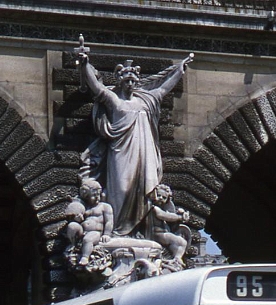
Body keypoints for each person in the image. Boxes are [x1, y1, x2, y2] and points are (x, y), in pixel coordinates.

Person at [76, 39, 193, 235]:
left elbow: (163, 89)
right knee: (120, 189)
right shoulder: (115, 101)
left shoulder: (146, 102)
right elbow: (96, 87)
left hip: (144, 153)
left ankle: (143, 232)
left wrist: (179, 71)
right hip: (120, 152)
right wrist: (86, 64)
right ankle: (116, 230)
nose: (130, 84)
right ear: (121, 82)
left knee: (145, 191)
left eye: (133, 81)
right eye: (127, 81)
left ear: (137, 82)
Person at [65, 179, 115, 266]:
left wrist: (106, 234)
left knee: (88, 239)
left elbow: (109, 222)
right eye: (93, 195)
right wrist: (77, 219)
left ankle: (85, 257)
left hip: (96, 233)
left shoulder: (104, 206)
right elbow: (79, 220)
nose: (97, 197)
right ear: (86, 196)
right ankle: (73, 244)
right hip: (83, 232)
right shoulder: (84, 207)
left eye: (98, 195)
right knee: (72, 226)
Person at [144, 184, 189, 263]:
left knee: (181, 241)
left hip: (162, 233)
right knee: (180, 242)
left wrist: (180, 214)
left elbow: (170, 215)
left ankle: (176, 258)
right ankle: (177, 259)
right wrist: (179, 217)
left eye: (164, 197)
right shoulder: (154, 208)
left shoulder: (162, 208)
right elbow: (165, 216)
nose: (161, 198)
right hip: (157, 234)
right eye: (158, 195)